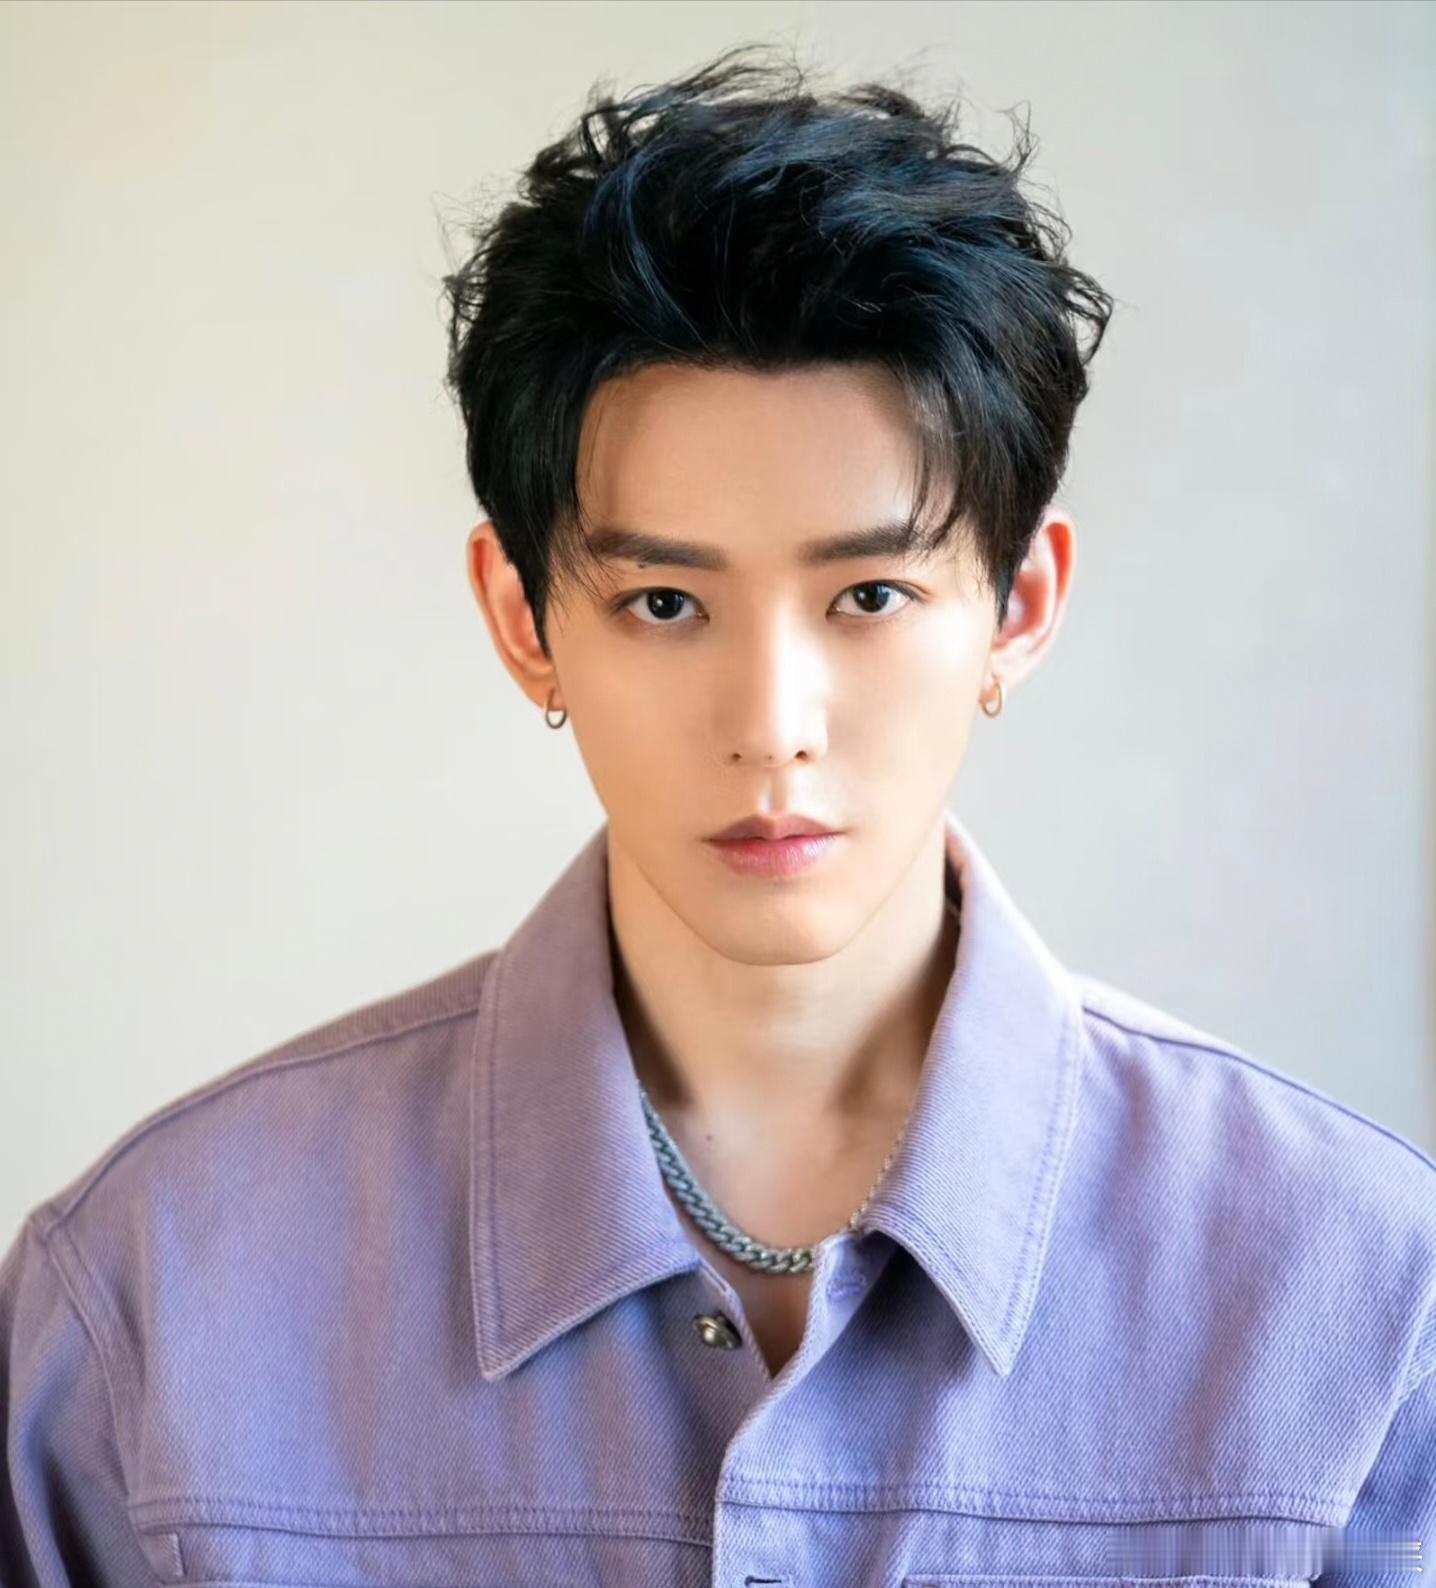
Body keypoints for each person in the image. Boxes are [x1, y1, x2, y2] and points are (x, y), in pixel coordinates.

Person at [3, 41, 1431, 1588]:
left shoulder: (1359, 1288)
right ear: (526, 620)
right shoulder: (154, 1288)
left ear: (1019, 608)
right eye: (666, 603)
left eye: (870, 595)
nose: (772, 726)